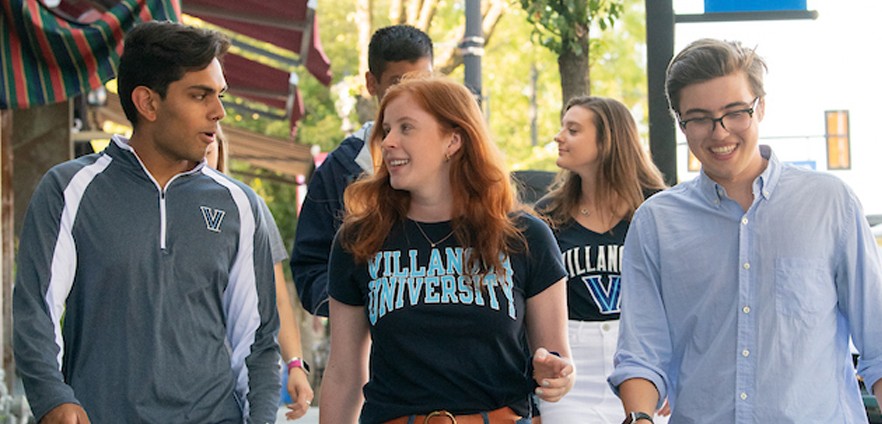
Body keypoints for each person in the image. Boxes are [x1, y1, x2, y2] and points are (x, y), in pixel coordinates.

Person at [12, 21, 281, 423]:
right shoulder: (69, 189)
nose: (219, 112)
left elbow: (257, 340)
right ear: (148, 103)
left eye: (219, 95)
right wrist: (53, 398)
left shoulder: (240, 205)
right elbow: (36, 309)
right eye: (200, 95)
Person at [609, 38, 882, 423]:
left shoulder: (830, 203)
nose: (720, 133)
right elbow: (641, 354)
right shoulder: (656, 222)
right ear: (680, 122)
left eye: (735, 112)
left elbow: (878, 343)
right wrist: (640, 417)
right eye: (699, 118)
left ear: (761, 107)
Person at [318, 75, 575, 424]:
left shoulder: (526, 236)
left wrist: (556, 374)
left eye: (406, 127)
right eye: (387, 130)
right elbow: (343, 374)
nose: (388, 141)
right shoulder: (359, 239)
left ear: (453, 140)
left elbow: (558, 360)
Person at [534, 96, 667, 424]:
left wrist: (677, 368)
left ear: (608, 140)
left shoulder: (659, 208)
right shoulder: (547, 215)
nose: (559, 137)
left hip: (642, 362)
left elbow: (684, 295)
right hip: (571, 369)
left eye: (573, 130)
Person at [291, 24, 433, 317]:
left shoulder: (455, 156)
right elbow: (310, 268)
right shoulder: (341, 169)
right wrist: (363, 306)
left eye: (423, 82)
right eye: (398, 83)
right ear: (371, 83)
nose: (412, 95)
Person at [206, 133, 314, 420]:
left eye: (210, 148)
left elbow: (276, 298)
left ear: (220, 151)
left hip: (236, 381)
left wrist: (295, 365)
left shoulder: (247, 207)